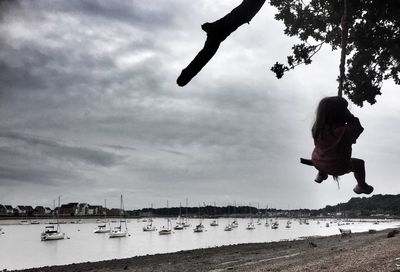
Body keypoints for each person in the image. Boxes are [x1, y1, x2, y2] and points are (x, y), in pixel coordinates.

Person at [310, 96, 373, 194]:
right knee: (360, 164)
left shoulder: (317, 129)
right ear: (342, 114)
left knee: (324, 154)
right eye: (346, 109)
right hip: (338, 166)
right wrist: (350, 117)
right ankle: (361, 186)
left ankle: (321, 174)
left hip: (317, 162)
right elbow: (358, 127)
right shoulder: (345, 131)